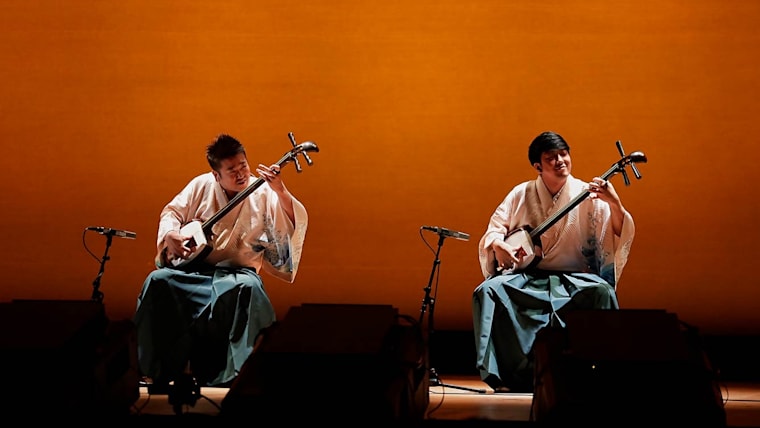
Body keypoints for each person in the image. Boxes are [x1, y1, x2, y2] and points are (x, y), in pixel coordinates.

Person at [134, 133, 308, 389]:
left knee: (250, 288)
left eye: (243, 166)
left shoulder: (262, 190)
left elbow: (291, 223)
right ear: (216, 174)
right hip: (194, 272)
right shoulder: (200, 185)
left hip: (238, 275)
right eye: (231, 171)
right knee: (157, 280)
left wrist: (280, 190)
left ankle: (239, 375)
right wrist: (170, 234)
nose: (241, 175)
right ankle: (155, 370)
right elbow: (172, 212)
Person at [472, 130, 634, 393]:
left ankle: (600, 374)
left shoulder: (586, 192)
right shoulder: (521, 193)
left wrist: (614, 203)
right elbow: (495, 229)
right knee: (489, 291)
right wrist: (498, 244)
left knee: (602, 292)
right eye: (551, 157)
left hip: (574, 278)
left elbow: (617, 229)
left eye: (564, 154)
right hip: (528, 278)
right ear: (538, 166)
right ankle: (506, 375)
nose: (560, 161)